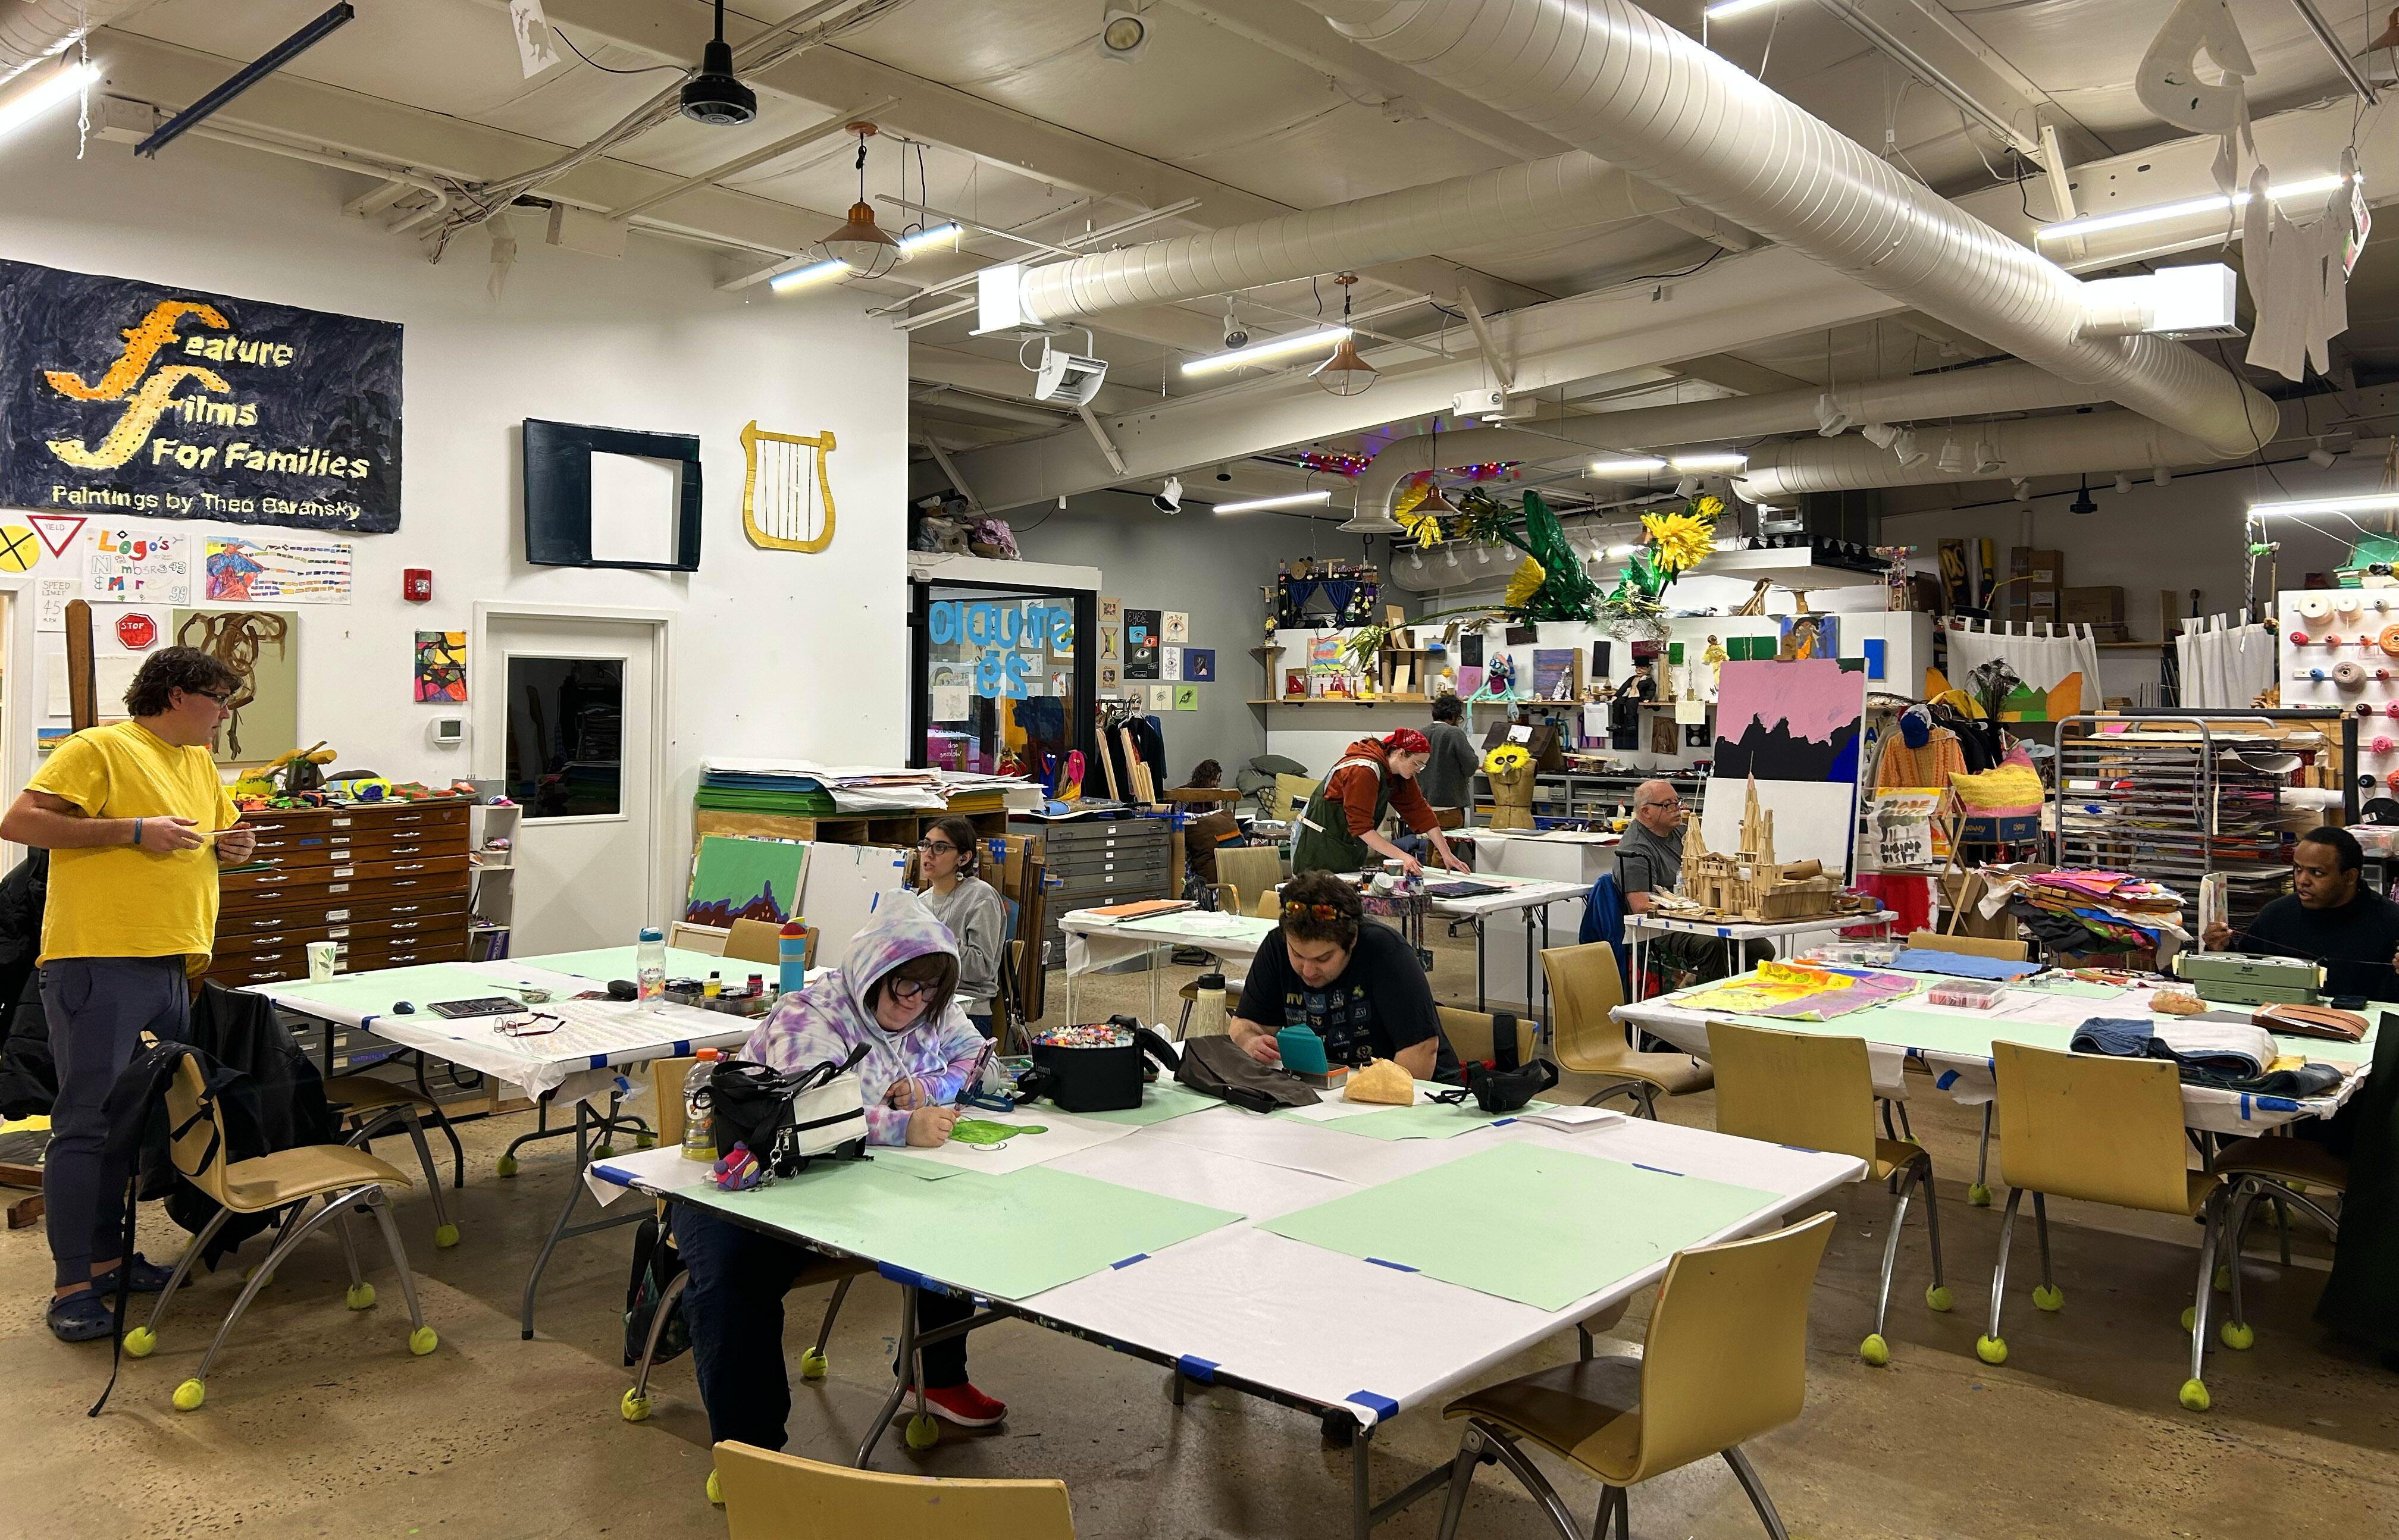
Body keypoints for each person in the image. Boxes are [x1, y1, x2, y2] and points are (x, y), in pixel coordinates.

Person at [672, 899, 1008, 1451]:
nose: (918, 1003)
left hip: (862, 1181)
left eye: (931, 993)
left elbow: (984, 1065)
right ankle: (750, 1450)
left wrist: (930, 1088)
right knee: (734, 1279)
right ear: (874, 970)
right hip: (763, 1178)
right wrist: (902, 1126)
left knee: (958, 1213)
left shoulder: (929, 1006)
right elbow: (809, 1114)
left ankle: (937, 1377)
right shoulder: (810, 1016)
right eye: (906, 988)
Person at [0, 646, 255, 1343]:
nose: (225, 714)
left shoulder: (199, 763)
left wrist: (237, 848)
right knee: (83, 1125)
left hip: (172, 963)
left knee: (131, 1125)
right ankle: (72, 1287)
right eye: (219, 699)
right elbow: (20, 822)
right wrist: (131, 831)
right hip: (100, 960)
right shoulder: (101, 748)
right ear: (176, 695)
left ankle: (111, 1261)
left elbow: (225, 835)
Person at [1228, 872, 1460, 1082]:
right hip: (1322, 1092)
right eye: (1298, 955)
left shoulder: (1386, 952)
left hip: (1422, 1097)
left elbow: (1421, 1048)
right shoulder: (1276, 945)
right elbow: (1245, 1024)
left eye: (1323, 958)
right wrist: (1251, 1041)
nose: (1308, 971)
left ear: (1352, 940)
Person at [2201, 826, 2399, 999]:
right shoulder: (2277, 915)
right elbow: (2242, 977)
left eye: (2317, 873)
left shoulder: (2390, 920)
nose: (2302, 880)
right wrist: (2221, 951)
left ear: (2349, 877)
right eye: (2298, 869)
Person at [1612, 779, 1761, 989]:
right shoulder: (1636, 849)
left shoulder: (1681, 833)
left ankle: (1746, 999)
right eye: (1668, 805)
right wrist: (1685, 907)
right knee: (1712, 946)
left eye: (1677, 801)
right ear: (1646, 812)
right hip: (1660, 929)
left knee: (1759, 946)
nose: (1677, 809)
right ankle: (1712, 1007)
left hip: (1694, 918)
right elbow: (1640, 904)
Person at [1291, 729, 1470, 878]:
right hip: (1317, 844)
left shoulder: (1398, 775)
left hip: (1345, 844)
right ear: (1401, 754)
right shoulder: (1363, 770)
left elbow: (1421, 811)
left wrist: (1447, 854)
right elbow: (1362, 828)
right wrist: (1403, 857)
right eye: (1417, 764)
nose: (1418, 771)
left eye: (1422, 767)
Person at [912, 814, 1007, 1036]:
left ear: (963, 858)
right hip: (924, 1006)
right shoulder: (919, 903)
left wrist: (937, 940)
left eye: (941, 848)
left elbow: (982, 968)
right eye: (925, 845)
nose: (928, 854)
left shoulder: (981, 897)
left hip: (968, 1013)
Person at [1418, 696, 1480, 823]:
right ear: (1453, 716)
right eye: (1459, 718)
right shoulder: (1454, 733)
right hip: (1450, 805)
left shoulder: (1420, 733)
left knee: (1425, 842)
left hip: (1422, 805)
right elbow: (1471, 765)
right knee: (1446, 842)